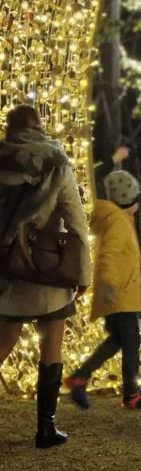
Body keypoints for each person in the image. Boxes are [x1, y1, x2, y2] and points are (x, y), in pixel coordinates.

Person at [0, 104, 91, 449]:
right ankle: (46, 428)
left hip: (9, 266)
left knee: (4, 340)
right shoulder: (54, 161)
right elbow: (75, 217)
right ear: (38, 126)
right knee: (51, 343)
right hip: (48, 267)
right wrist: (83, 271)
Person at [65, 170, 141, 410]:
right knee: (130, 343)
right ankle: (132, 393)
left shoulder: (116, 220)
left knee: (118, 341)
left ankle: (80, 376)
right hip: (120, 295)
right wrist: (109, 288)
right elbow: (108, 256)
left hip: (119, 294)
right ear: (130, 199)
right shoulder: (118, 222)